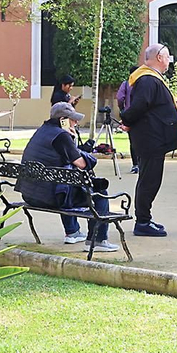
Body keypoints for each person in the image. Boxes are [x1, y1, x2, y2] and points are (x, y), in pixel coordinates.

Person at [18, 101, 119, 252]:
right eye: (73, 119)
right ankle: (97, 240)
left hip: (30, 194)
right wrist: (76, 144)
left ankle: (72, 232)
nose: (76, 122)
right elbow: (81, 163)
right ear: (62, 120)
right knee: (99, 194)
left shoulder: (42, 131)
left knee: (66, 185)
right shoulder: (61, 136)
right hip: (48, 197)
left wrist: (72, 141)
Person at [118, 42, 177, 237]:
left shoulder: (149, 78)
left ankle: (145, 219)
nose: (169, 61)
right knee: (149, 181)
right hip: (151, 139)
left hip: (153, 138)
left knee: (150, 179)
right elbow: (139, 106)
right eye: (168, 57)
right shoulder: (147, 79)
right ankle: (142, 222)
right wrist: (127, 120)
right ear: (160, 57)